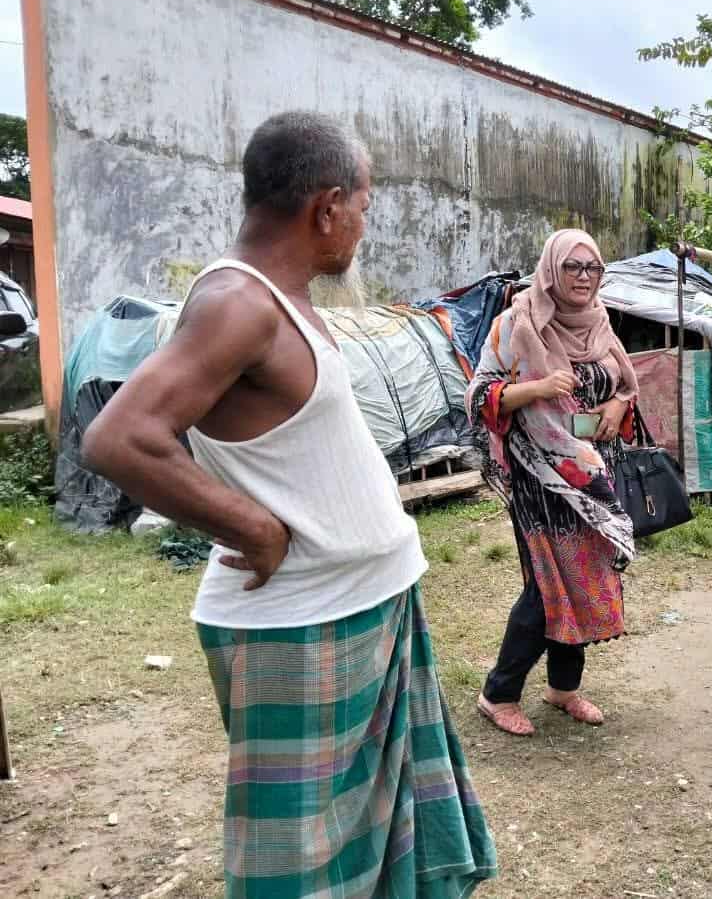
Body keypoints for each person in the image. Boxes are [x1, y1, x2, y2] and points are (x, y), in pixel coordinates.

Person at [83, 111, 497, 898]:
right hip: (300, 626)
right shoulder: (239, 303)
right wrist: (248, 524)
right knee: (298, 872)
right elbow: (119, 436)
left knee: (366, 860)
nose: (363, 228)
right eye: (366, 207)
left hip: (360, 610)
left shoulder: (283, 299)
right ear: (328, 207)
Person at [467, 229, 638, 737]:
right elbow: (478, 396)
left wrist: (617, 405)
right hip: (540, 477)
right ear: (550, 269)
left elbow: (624, 386)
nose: (585, 277)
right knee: (547, 587)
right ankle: (497, 693)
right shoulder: (514, 324)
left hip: (593, 475)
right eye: (574, 267)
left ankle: (564, 687)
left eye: (594, 268)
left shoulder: (602, 324)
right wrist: (534, 388)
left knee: (585, 578)